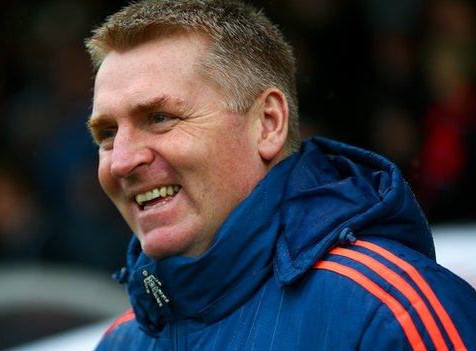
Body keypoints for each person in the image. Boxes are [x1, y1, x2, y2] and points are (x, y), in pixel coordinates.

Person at [84, 0, 476, 350]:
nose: (121, 162)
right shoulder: (120, 343)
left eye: (159, 118)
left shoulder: (389, 313)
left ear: (268, 124)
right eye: (107, 134)